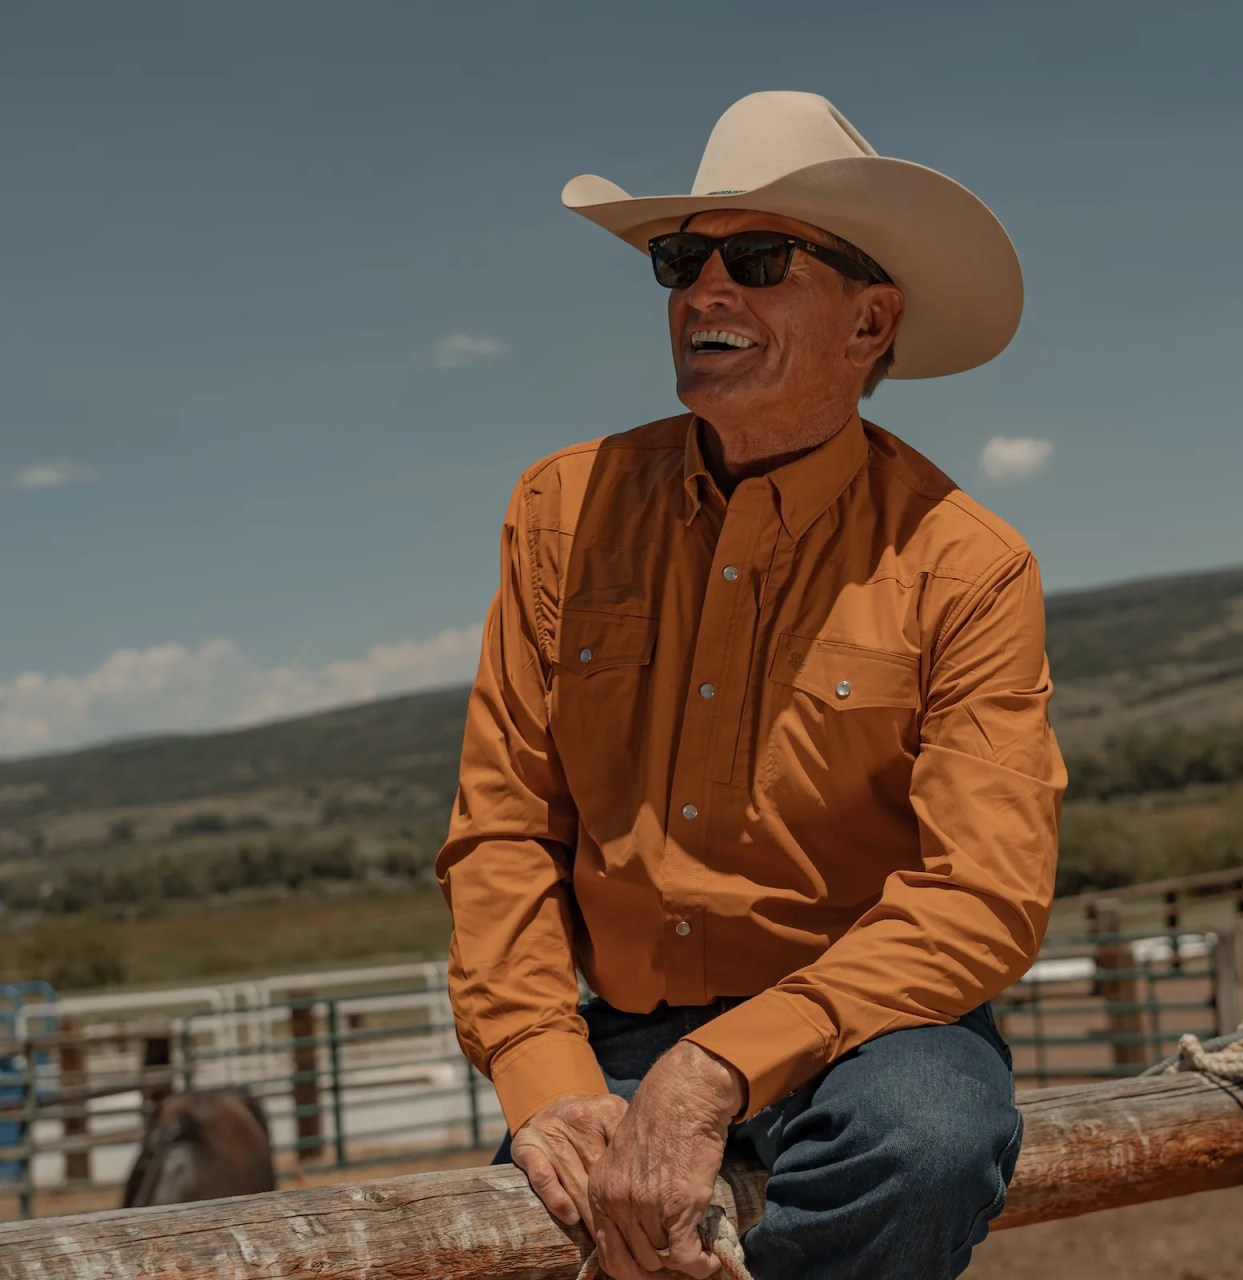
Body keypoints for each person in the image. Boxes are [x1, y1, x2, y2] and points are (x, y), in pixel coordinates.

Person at [437, 90, 1065, 1280]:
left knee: (928, 1137)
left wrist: (718, 1064)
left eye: (759, 259)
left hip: (873, 1029)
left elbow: (984, 892)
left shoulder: (967, 563)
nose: (703, 291)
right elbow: (504, 827)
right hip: (610, 1038)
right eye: (684, 260)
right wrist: (541, 1074)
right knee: (528, 1230)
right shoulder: (560, 511)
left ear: (870, 321)